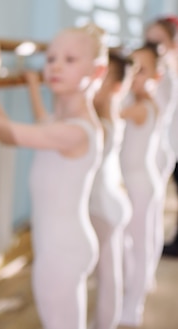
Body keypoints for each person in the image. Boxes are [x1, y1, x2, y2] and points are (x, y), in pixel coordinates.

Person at [0, 23, 107, 329]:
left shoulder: (76, 131)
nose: (56, 66)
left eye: (70, 60)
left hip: (62, 248)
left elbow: (10, 133)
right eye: (51, 58)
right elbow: (13, 133)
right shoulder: (62, 121)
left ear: (97, 73)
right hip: (61, 243)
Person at [119, 43, 165, 327]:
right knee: (132, 245)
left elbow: (109, 115)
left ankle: (133, 308)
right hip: (133, 182)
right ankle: (130, 300)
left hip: (141, 184)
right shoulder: (136, 103)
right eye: (131, 68)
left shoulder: (141, 107)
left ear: (156, 77)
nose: (133, 75)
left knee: (139, 245)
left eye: (141, 70)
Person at [88, 51, 134, 329]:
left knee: (106, 277)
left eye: (100, 78)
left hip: (102, 207)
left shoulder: (99, 124)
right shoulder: (114, 117)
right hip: (113, 201)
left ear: (116, 87)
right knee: (110, 274)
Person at [145, 16, 178, 258]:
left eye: (158, 41)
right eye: (148, 41)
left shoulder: (164, 73)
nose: (151, 47)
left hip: (167, 145)